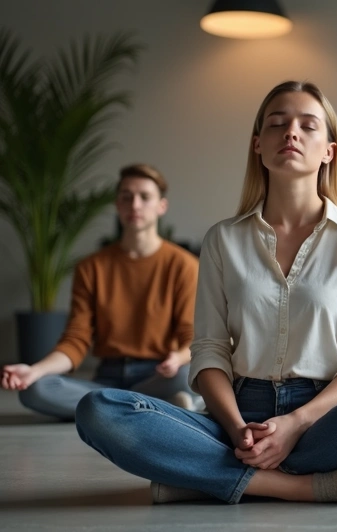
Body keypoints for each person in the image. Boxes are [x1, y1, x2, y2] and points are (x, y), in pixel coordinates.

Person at [73, 81, 337, 505]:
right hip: (238, 413)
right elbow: (208, 350)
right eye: (278, 124)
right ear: (258, 145)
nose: (291, 133)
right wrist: (237, 427)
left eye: (307, 125)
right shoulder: (223, 240)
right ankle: (302, 485)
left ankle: (207, 475)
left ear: (329, 151)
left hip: (327, 416)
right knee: (98, 409)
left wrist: (296, 423)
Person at [2, 164, 199, 419]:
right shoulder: (91, 267)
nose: (135, 205)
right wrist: (35, 371)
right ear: (117, 205)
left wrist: (178, 357)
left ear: (162, 206)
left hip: (160, 375)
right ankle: (150, 408)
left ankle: (112, 409)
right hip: (107, 379)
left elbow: (192, 337)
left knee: (189, 375)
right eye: (126, 197)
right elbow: (76, 340)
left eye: (144, 197)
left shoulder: (184, 266)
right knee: (34, 389)